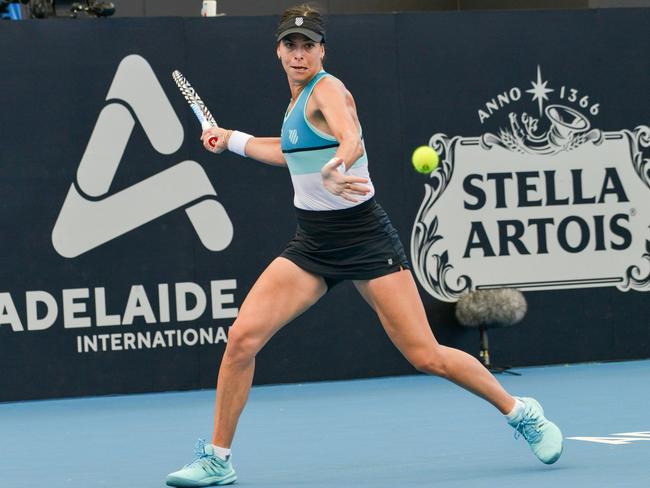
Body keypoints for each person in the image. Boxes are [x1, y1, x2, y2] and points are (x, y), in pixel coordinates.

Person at [165, 4, 563, 487]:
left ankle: (520, 410)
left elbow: (349, 135)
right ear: (278, 50)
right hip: (313, 242)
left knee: (426, 355)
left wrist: (339, 164)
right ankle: (218, 458)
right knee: (241, 341)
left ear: (322, 50)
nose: (298, 54)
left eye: (308, 45)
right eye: (290, 45)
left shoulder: (328, 89)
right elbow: (289, 151)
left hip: (365, 238)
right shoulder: (294, 103)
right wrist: (230, 140)